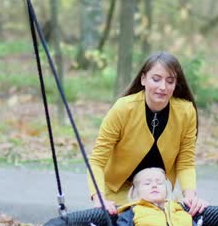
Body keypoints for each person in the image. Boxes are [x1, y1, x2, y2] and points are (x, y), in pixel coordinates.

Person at [88, 51, 208, 217]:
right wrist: (99, 199)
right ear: (143, 79)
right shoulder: (123, 108)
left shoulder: (186, 112)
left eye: (170, 81)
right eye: (156, 79)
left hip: (159, 194)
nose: (163, 87)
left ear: (176, 84)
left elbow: (185, 162)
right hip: (120, 193)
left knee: (179, 222)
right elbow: (97, 161)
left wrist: (190, 196)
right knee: (137, 223)